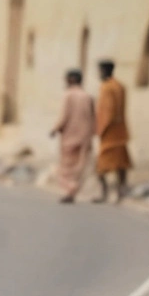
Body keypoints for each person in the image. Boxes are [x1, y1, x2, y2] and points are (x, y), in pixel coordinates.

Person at [50, 69, 96, 204]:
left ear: (71, 80)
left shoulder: (68, 95)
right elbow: (93, 117)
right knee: (80, 164)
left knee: (67, 166)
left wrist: (55, 129)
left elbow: (64, 116)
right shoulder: (88, 96)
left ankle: (70, 190)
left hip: (70, 136)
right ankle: (74, 190)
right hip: (85, 136)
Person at [94, 59, 132, 204]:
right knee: (121, 165)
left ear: (104, 71)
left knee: (101, 167)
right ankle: (120, 194)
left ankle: (105, 194)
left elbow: (108, 112)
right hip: (121, 132)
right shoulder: (120, 86)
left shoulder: (107, 87)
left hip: (110, 133)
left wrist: (100, 129)